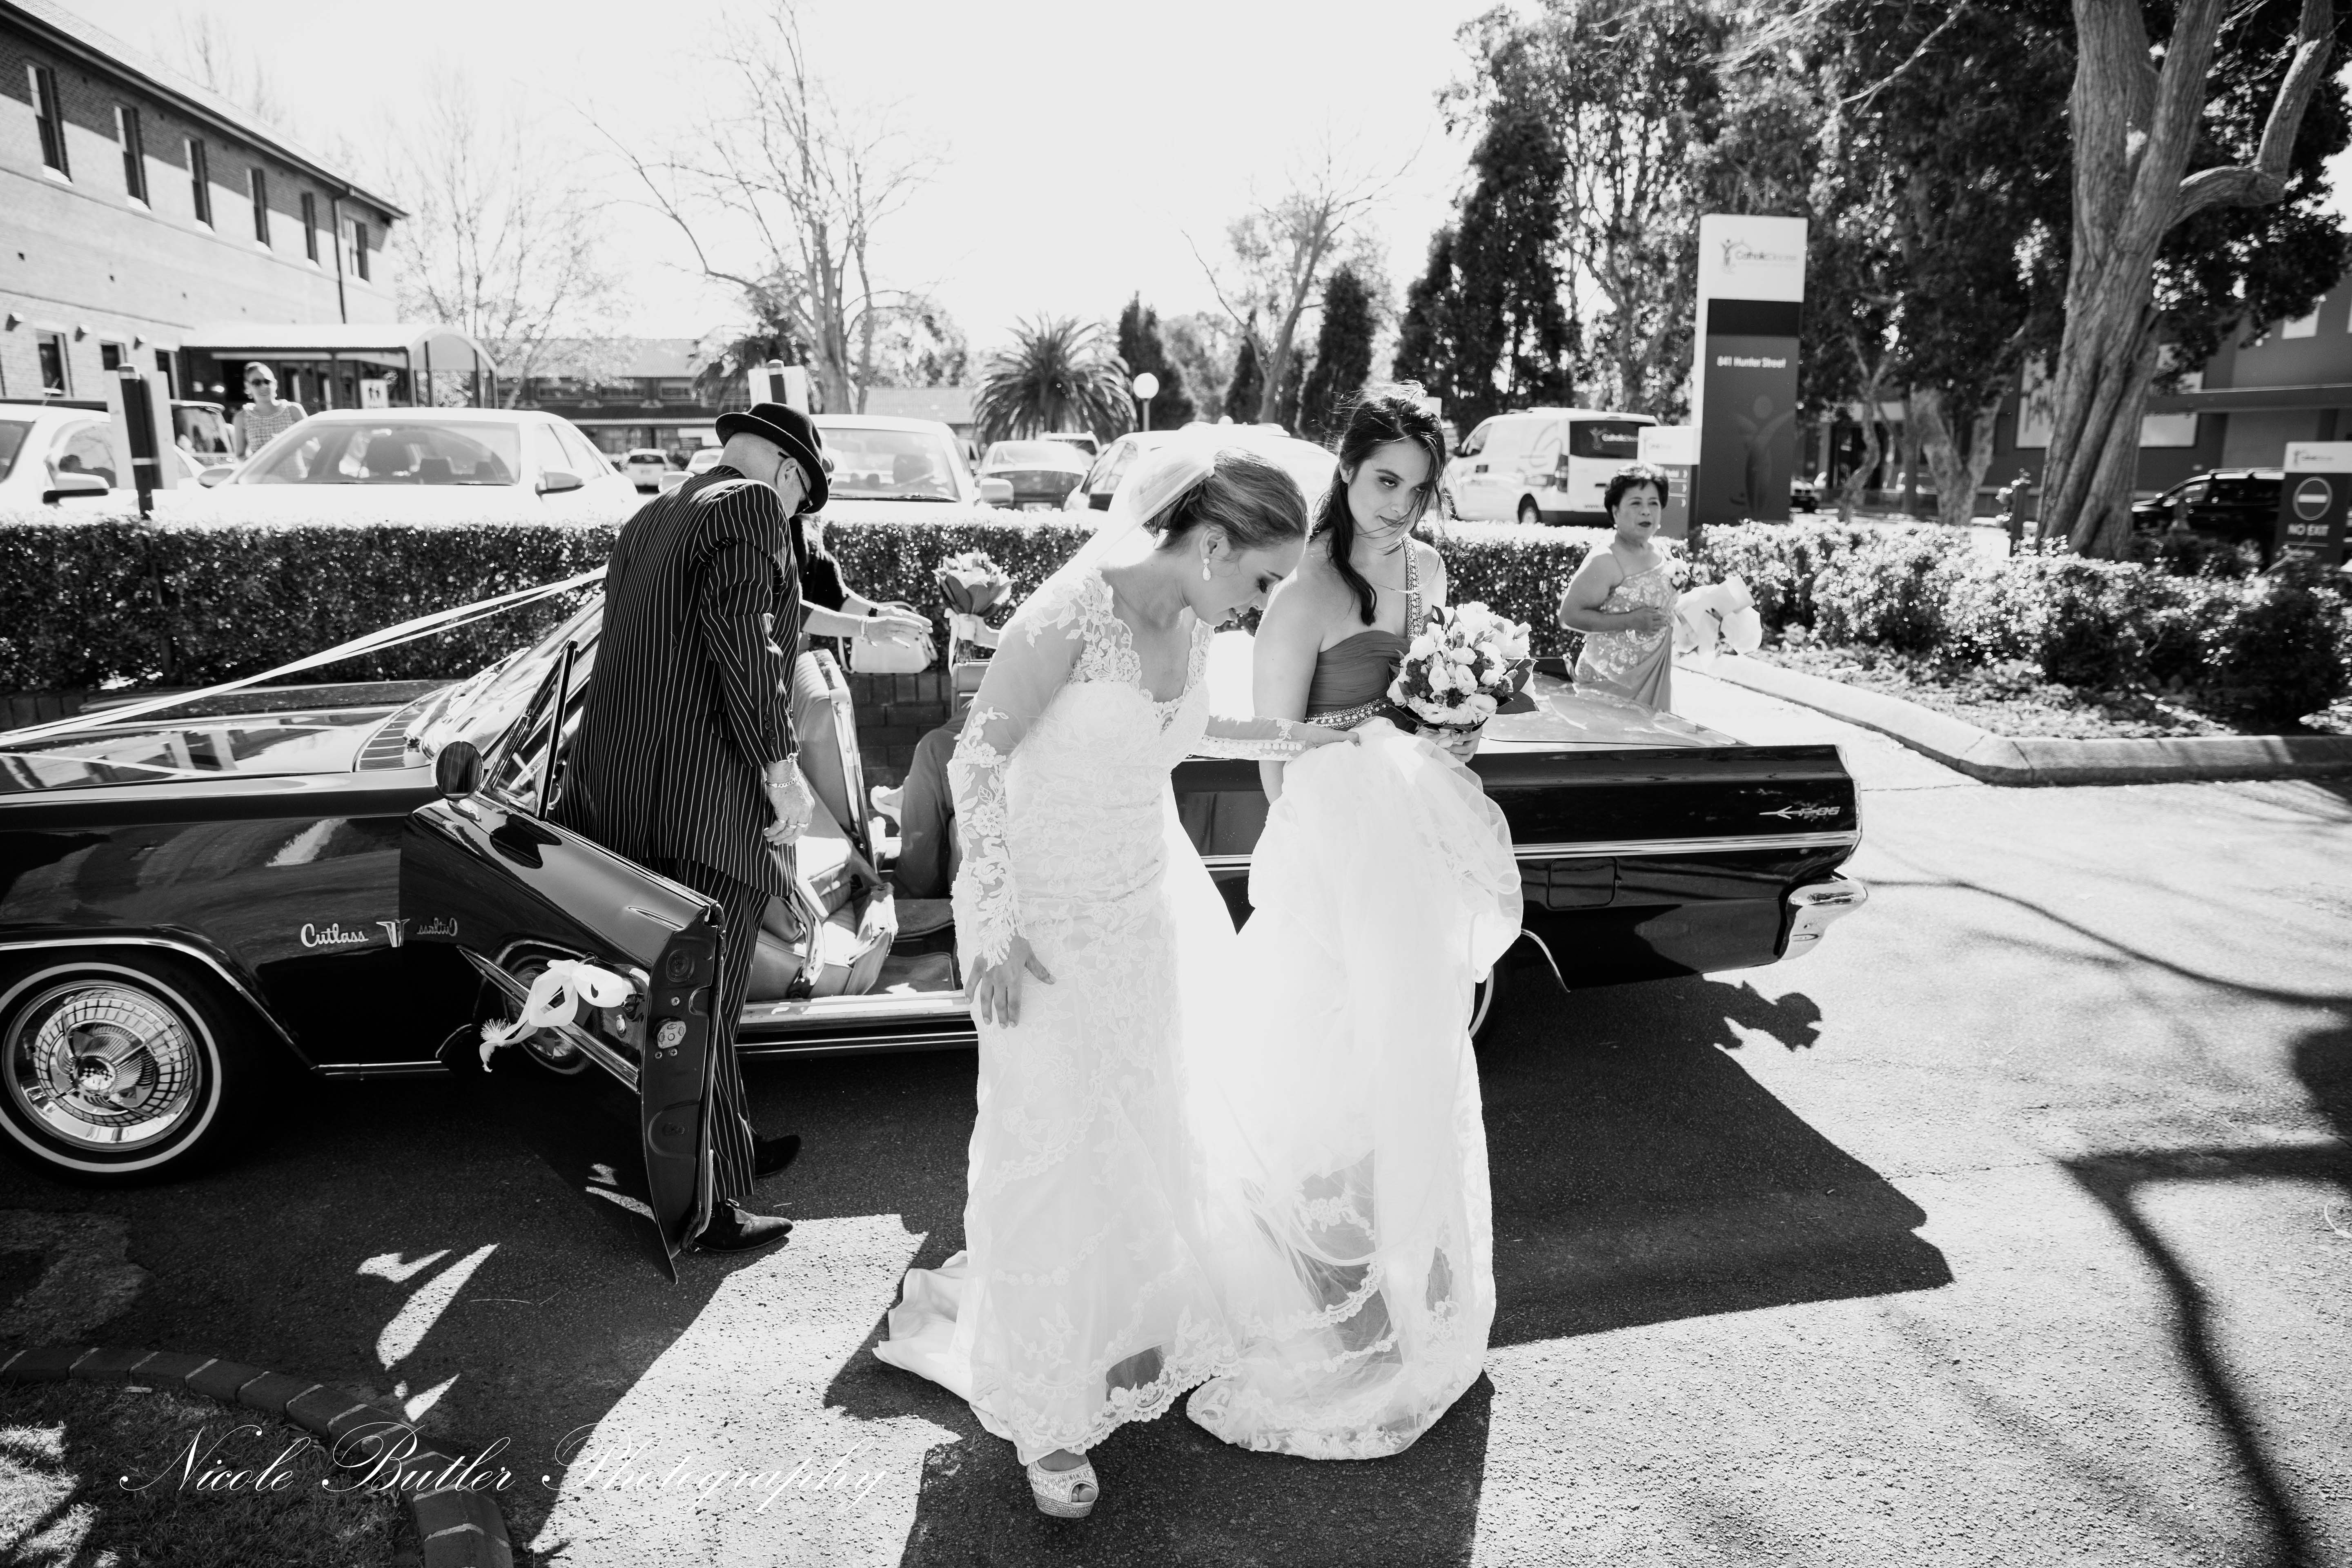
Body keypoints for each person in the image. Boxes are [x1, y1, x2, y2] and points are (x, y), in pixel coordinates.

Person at [871, 437, 1348, 1517]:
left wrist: (1304, 735)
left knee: (1136, 1132)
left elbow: (1189, 728)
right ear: (1212, 544)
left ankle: (1120, 1331)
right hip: (1041, 932)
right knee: (1049, 1149)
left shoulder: (1193, 621)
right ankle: (1046, 1413)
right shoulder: (1065, 616)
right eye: (1262, 581)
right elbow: (977, 760)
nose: (1261, 607)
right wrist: (991, 926)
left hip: (1143, 920)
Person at [1183, 388, 1519, 1459]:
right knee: (1322, 1062)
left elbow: (1425, 711)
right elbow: (1272, 757)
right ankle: (1315, 1285)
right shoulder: (1307, 592)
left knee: (1412, 1053)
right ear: (1348, 468)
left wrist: (1452, 729)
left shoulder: (1430, 573)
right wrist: (1337, 827)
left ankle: (1408, 1277)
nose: (1399, 507)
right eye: (1384, 481)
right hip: (1333, 849)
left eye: (1418, 490)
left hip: (1409, 837)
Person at [552, 401, 821, 1256]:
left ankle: (727, 1148)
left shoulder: (651, 517)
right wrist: (781, 772)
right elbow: (748, 649)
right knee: (701, 1011)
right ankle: (705, 1206)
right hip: (705, 809)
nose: (793, 521)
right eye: (802, 504)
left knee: (681, 1005)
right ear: (788, 474)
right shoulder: (751, 505)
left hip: (627, 805)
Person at [784, 505, 929, 836]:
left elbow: (831, 594)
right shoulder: (768, 516)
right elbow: (784, 606)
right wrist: (866, 628)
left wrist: (879, 614)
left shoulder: (806, 521)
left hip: (790, 660)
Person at [1557, 465, 1678, 712]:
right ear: (1615, 511)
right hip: (1609, 685)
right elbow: (1569, 617)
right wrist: (1630, 621)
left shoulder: (1662, 552)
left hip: (1655, 677)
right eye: (1636, 503)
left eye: (1654, 503)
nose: (1646, 511)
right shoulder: (1604, 559)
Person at [230, 363, 305, 458]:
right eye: (257, 383)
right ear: (248, 386)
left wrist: (286, 444)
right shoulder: (242, 418)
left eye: (267, 382)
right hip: (261, 468)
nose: (263, 387)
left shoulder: (293, 410)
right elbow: (240, 456)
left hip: (294, 467)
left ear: (275, 384)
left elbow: (313, 446)